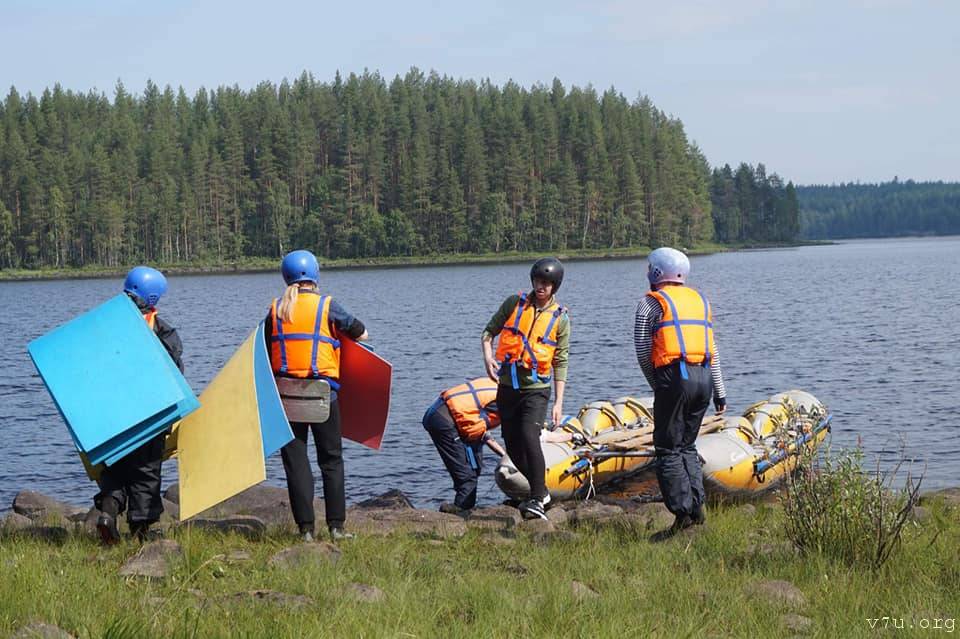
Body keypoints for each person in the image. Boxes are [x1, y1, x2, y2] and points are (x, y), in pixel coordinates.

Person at [265, 250, 368, 542]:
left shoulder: (275, 309)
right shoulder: (327, 306)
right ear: (315, 274)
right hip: (323, 395)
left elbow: (264, 346)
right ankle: (336, 527)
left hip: (287, 397)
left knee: (296, 463)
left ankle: (306, 530)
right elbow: (361, 333)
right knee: (331, 460)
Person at [633, 247, 726, 540]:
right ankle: (697, 509)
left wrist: (657, 384)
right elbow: (712, 350)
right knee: (687, 445)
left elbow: (643, 350)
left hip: (674, 378)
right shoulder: (700, 301)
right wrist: (720, 392)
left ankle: (683, 514)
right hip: (704, 379)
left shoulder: (650, 303)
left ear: (657, 272)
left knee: (668, 448)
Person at [95, 266, 183, 545]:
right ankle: (140, 534)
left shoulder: (105, 324)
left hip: (113, 415)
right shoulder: (162, 331)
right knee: (146, 473)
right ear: (154, 297)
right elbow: (176, 374)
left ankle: (108, 513)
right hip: (149, 417)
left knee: (114, 468)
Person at [481, 257, 570, 520]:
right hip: (507, 387)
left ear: (554, 286)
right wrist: (488, 357)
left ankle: (537, 499)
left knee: (530, 436)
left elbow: (561, 361)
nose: (540, 287)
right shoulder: (513, 303)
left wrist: (558, 403)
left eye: (546, 283)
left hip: (536, 390)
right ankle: (541, 491)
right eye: (537, 281)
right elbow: (488, 332)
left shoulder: (561, 318)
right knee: (512, 444)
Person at [423, 377, 506, 514]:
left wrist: (504, 456)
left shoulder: (498, 389)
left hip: (442, 415)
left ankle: (463, 505)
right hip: (443, 420)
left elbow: (484, 434)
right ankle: (460, 513)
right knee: (467, 477)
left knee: (474, 468)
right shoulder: (503, 400)